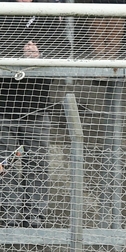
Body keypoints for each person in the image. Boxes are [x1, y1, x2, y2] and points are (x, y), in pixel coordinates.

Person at [0, 2, 66, 228]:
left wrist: (41, 54)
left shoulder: (49, 14)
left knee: (37, 163)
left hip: (37, 105)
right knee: (3, 164)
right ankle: (6, 215)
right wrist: (19, 52)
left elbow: (64, 50)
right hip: (3, 106)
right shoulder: (4, 12)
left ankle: (33, 216)